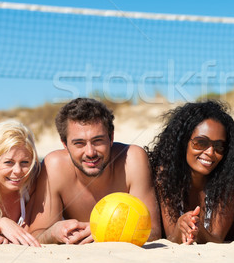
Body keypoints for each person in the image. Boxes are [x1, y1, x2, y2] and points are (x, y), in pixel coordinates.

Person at [28, 97, 161, 244]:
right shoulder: (54, 166)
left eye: (98, 141)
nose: (90, 152)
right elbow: (36, 235)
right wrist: (53, 232)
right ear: (64, 144)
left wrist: (105, 230)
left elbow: (153, 231)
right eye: (79, 143)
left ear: (111, 138)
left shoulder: (132, 159)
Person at [148, 100, 234, 244]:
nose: (210, 152)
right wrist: (181, 226)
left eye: (219, 146)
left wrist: (198, 229)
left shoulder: (229, 176)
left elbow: (217, 239)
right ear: (183, 142)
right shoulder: (165, 175)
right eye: (201, 143)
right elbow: (171, 238)